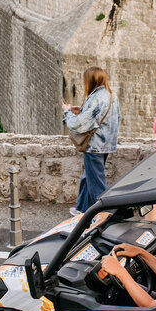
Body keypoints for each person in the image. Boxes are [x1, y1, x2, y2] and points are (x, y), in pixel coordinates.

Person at [62, 66, 121, 214]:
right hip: (106, 144)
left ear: (91, 80)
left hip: (94, 145)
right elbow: (114, 118)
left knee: (96, 183)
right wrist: (81, 111)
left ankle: (107, 214)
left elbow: (78, 125)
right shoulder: (111, 95)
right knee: (88, 177)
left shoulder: (96, 98)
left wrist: (67, 112)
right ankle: (82, 209)